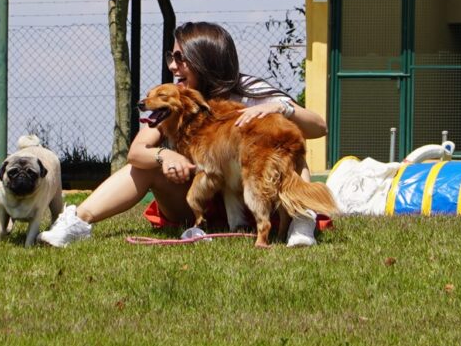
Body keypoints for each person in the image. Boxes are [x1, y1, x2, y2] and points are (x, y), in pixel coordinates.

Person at [39, 21, 328, 247]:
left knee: (291, 149)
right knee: (144, 169)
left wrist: (281, 107)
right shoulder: (172, 100)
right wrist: (165, 155)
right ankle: (77, 222)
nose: (172, 66)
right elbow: (137, 152)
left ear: (206, 59)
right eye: (171, 56)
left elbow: (318, 127)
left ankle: (301, 222)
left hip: (258, 193)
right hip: (198, 199)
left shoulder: (249, 92)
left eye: (180, 57)